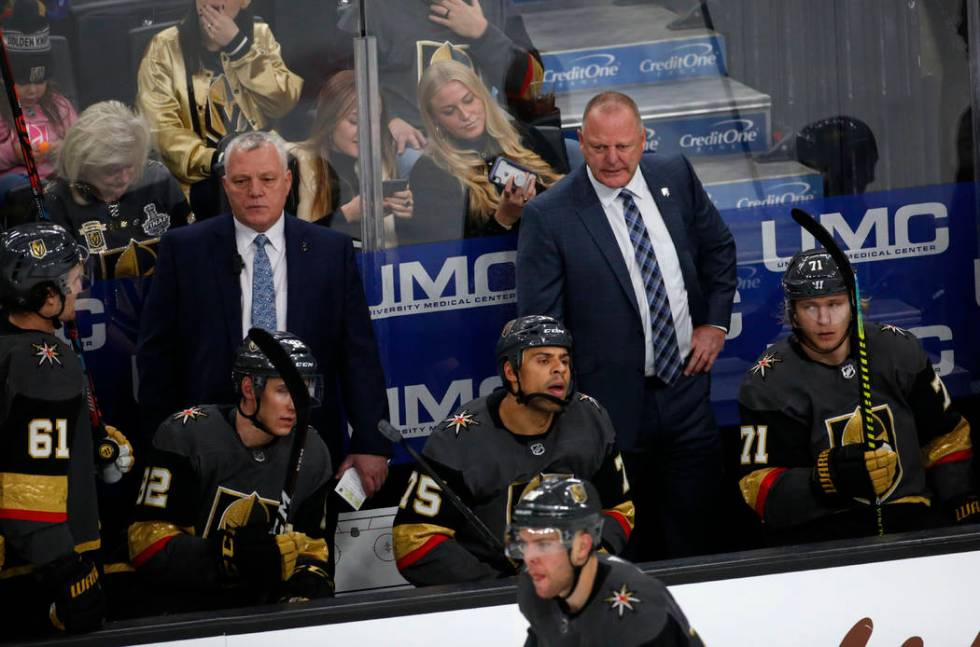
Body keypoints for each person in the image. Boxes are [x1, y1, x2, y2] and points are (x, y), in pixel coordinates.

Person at [136, 131, 390, 563]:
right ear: (224, 185)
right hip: (210, 447)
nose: (255, 191)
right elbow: (157, 355)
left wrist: (370, 441)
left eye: (268, 179)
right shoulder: (185, 249)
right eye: (242, 181)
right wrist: (164, 443)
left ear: (288, 182)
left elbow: (357, 354)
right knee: (215, 565)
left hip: (307, 445)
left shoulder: (330, 251)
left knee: (307, 565)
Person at [516, 91, 737, 561]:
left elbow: (719, 249)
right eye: (598, 148)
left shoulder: (674, 174)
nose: (612, 159)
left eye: (623, 146)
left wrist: (714, 324)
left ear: (642, 140)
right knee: (627, 548)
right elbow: (543, 324)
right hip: (607, 412)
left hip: (687, 392)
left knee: (698, 536)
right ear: (581, 142)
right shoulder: (549, 215)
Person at [737, 249, 980, 544]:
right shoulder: (767, 382)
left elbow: (945, 436)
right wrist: (827, 479)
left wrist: (960, 500)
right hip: (822, 533)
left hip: (911, 519)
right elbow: (757, 488)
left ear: (854, 303)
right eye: (810, 307)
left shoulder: (899, 350)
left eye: (835, 304)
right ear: (792, 312)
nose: (824, 319)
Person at [392, 315, 634, 586]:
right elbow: (414, 540)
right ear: (511, 372)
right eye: (544, 360)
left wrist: (582, 564)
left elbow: (618, 510)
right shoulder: (459, 439)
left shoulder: (591, 418)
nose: (559, 370)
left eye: (564, 360)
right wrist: (497, 589)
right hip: (488, 603)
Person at [128, 330, 334, 613]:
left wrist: (305, 586)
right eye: (284, 390)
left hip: (265, 615)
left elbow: (313, 548)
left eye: (302, 390)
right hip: (187, 614)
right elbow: (147, 546)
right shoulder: (185, 437)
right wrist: (227, 556)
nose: (295, 405)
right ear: (249, 389)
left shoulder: (312, 451)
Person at [0, 222, 134, 638]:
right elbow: (27, 487)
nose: (81, 290)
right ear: (46, 297)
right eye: (74, 281)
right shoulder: (45, 360)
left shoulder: (9, 348)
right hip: (38, 564)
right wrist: (66, 568)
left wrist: (87, 441)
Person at [509, 478, 704, 647]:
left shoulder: (635, 613)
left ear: (582, 547)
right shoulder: (534, 590)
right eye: (524, 543)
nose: (529, 558)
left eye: (543, 544)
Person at [338, 0, 542, 162]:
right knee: (412, 161)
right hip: (416, 142)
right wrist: (385, 119)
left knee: (550, 152)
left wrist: (483, 33)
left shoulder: (492, 5)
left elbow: (531, 86)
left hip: (483, 135)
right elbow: (337, 84)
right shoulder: (374, 9)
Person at [136, 0, 302, 196]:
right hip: (202, 183)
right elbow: (162, 131)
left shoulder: (260, 35)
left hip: (265, 168)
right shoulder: (163, 47)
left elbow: (282, 103)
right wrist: (218, 160)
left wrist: (238, 47)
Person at [404, 60, 565, 245]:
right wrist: (503, 218)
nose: (465, 115)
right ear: (435, 120)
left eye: (468, 100)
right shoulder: (430, 171)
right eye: (449, 111)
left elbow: (570, 194)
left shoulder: (523, 135)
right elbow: (451, 254)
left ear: (483, 97)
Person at [46, 101, 190, 278]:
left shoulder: (157, 179)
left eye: (130, 165)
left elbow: (191, 248)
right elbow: (61, 280)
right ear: (83, 165)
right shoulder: (58, 199)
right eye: (111, 170)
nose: (124, 178)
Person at [291, 70, 412, 243]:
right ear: (329, 119)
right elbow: (290, 243)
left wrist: (405, 212)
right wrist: (346, 215)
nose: (366, 132)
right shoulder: (296, 163)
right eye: (354, 122)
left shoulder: (383, 164)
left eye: (374, 122)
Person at [0, 0, 77, 200]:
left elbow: (81, 140)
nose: (33, 89)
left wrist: (65, 146)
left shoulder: (58, 105)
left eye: (40, 81)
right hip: (18, 188)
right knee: (16, 186)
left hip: (60, 181)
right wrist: (13, 153)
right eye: (23, 82)